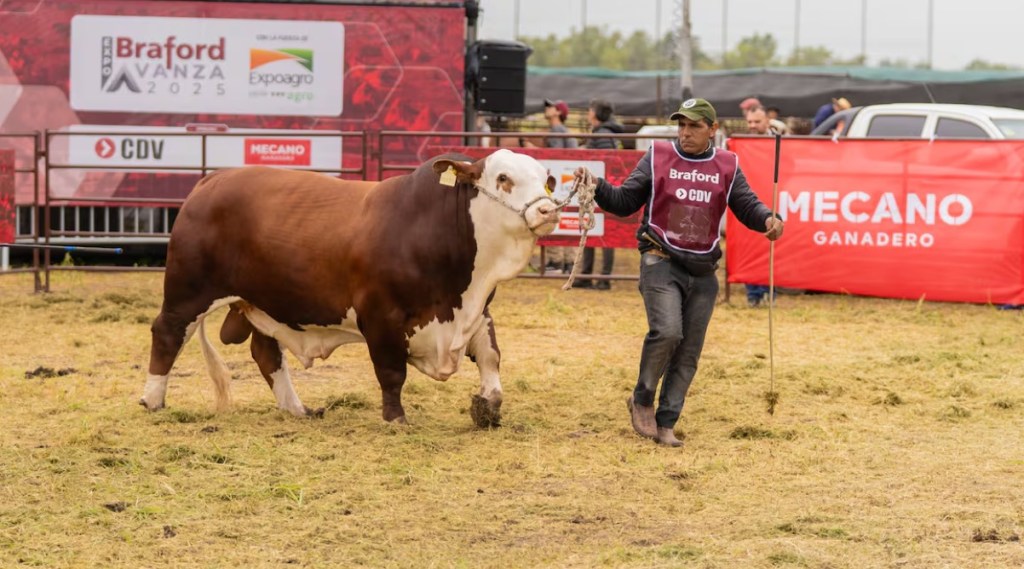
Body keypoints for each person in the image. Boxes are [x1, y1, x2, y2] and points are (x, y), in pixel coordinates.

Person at [573, 98, 784, 447]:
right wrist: (596, 184)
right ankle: (642, 399)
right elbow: (625, 202)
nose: (685, 133)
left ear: (712, 130)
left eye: (694, 126)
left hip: (702, 270)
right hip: (660, 260)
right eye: (681, 125)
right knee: (668, 332)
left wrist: (768, 219)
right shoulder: (658, 156)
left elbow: (747, 204)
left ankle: (667, 420)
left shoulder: (727, 164)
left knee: (689, 351)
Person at [575, 98, 624, 289]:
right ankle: (593, 275)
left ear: (594, 113)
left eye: (590, 110)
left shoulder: (601, 135)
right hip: (601, 186)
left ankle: (600, 276)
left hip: (600, 187)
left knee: (603, 230)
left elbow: (605, 160)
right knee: (597, 227)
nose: (588, 113)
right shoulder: (605, 133)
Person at [741, 106, 784, 307]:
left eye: (757, 122)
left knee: (771, 246)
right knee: (748, 245)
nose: (752, 126)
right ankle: (753, 294)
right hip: (748, 202)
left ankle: (769, 291)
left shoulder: (779, 141)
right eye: (749, 122)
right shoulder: (740, 143)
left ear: (767, 121)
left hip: (773, 198)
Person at [540, 98, 578, 274]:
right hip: (568, 180)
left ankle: (555, 261)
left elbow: (554, 156)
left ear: (558, 112)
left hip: (558, 180)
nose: (548, 109)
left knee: (553, 217)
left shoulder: (556, 131)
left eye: (551, 107)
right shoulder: (565, 131)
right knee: (570, 218)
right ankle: (569, 262)